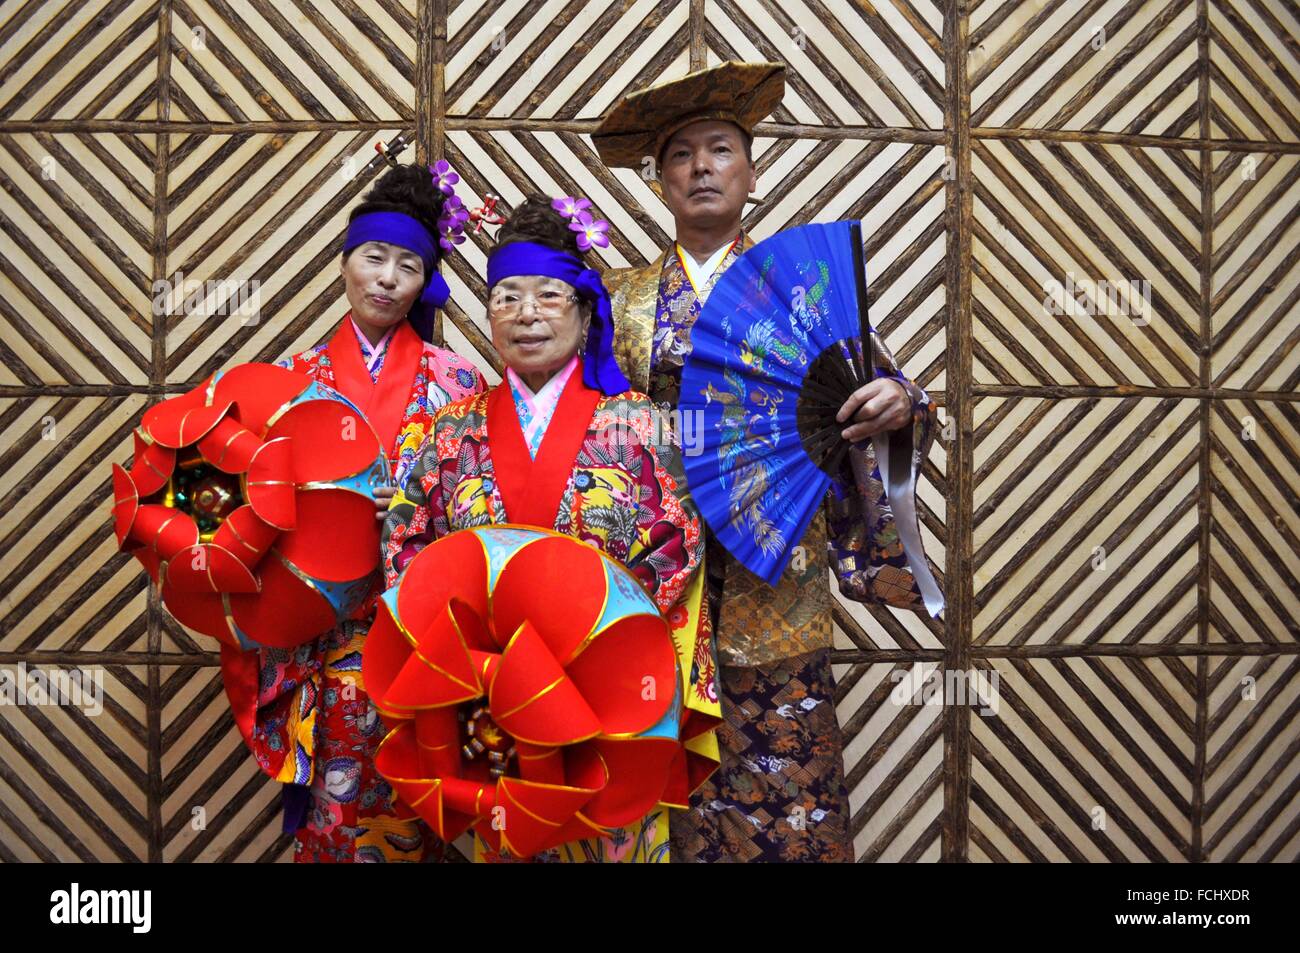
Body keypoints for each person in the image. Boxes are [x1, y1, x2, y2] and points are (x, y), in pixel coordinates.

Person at [593, 61, 942, 862]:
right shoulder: (621, 299)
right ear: (659, 182)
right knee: (655, 798)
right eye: (680, 156)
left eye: (720, 150)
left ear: (752, 172)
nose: (701, 168)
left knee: (786, 807)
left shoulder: (803, 290)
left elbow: (877, 388)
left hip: (775, 578)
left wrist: (900, 405)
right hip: (655, 590)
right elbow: (591, 433)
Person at [381, 194, 719, 863]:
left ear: (587, 309)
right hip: (484, 705)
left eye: (548, 295)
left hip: (603, 699)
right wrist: (479, 660)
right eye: (506, 297)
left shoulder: (641, 425)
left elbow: (675, 548)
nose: (526, 314)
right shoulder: (450, 431)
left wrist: (583, 649)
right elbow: (406, 552)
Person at [219, 160, 487, 862]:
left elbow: (483, 503)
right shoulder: (293, 376)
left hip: (422, 635)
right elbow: (254, 497)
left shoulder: (457, 380)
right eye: (374, 256)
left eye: (408, 264)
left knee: (419, 814)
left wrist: (409, 506)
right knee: (335, 820)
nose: (388, 277)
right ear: (345, 264)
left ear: (423, 280)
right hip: (323, 636)